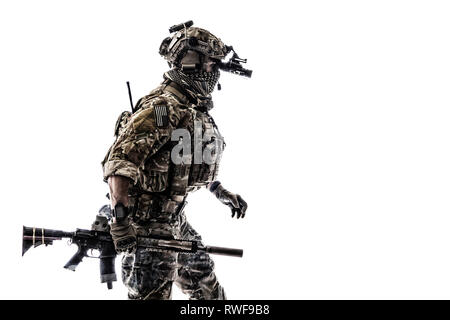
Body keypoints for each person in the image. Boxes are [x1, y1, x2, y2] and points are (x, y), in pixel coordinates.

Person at [101, 22, 250, 300]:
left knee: (207, 288)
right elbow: (120, 162)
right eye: (210, 65)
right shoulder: (162, 108)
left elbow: (182, 162)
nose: (215, 73)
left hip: (174, 222)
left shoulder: (191, 110)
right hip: (146, 228)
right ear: (191, 64)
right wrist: (120, 222)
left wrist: (219, 191)